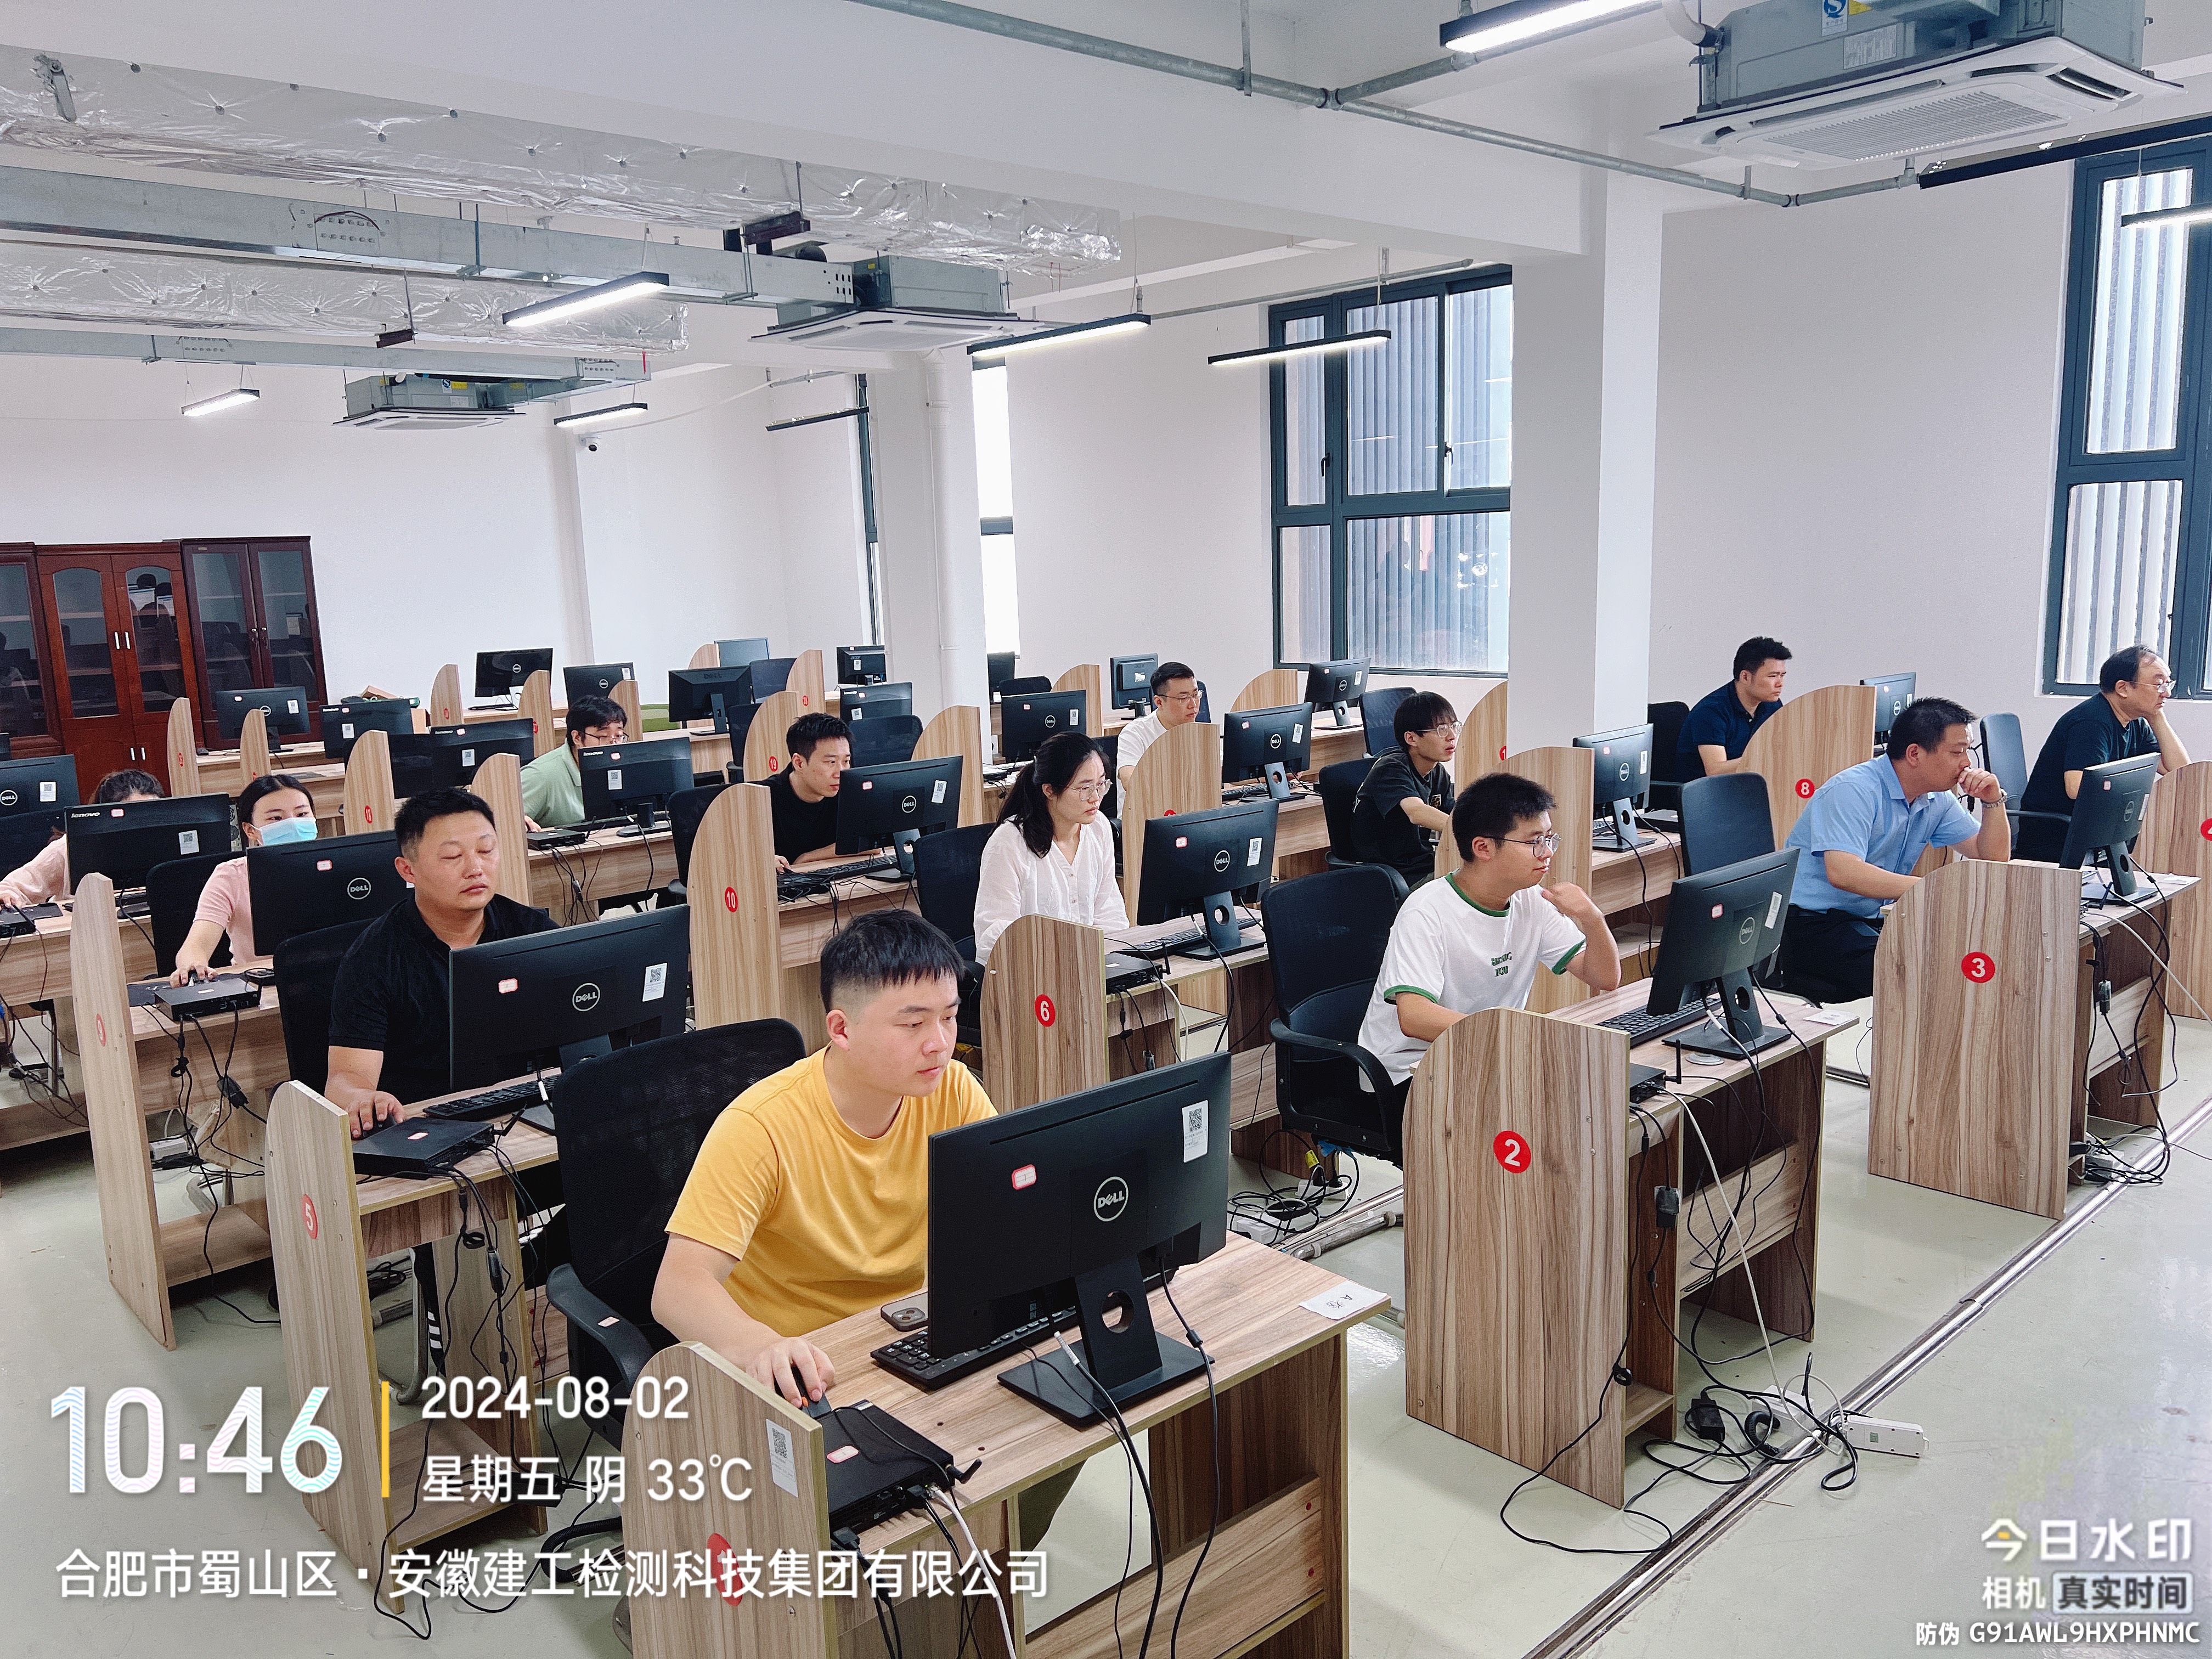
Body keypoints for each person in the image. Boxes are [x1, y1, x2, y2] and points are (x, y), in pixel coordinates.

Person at [1355, 772, 1622, 1152]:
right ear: (1483, 847)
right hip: (1407, 1074)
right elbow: (1414, 1017)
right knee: (1558, 1118)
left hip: (1486, 1058)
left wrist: (1592, 918)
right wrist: (1514, 1039)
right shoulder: (1426, 911)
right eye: (1534, 842)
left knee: (1592, 1098)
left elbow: (1605, 977)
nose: (1547, 852)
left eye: (1549, 838)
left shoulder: (1531, 899)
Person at [325, 787, 556, 1136]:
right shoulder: (373, 959)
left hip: (528, 1111)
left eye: (486, 850)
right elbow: (345, 1078)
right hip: (427, 1126)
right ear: (408, 870)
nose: (475, 868)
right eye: (452, 857)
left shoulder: (534, 932)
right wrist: (361, 1097)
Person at [1776, 696, 2010, 1002]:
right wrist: (1934, 888)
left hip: (1873, 918)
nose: (1966, 763)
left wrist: (1993, 801)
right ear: (1915, 754)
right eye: (1957, 752)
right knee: (1920, 974)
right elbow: (1844, 872)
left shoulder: (1936, 798)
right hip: (1812, 924)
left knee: (1966, 953)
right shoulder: (1853, 790)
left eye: (1967, 751)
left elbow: (1992, 859)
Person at [2017, 644, 2192, 862]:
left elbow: (2180, 772)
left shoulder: (2136, 722)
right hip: (2057, 840)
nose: (2167, 693)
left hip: (2098, 835)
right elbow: (2077, 788)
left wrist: (2157, 718)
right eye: (2158, 685)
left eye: (2168, 684)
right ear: (2123, 688)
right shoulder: (2092, 722)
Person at [973, 730, 1126, 962]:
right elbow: (994, 937)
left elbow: (1110, 914)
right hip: (1031, 971)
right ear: (1050, 790)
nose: (1096, 798)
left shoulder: (1099, 828)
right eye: (1085, 789)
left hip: (1089, 966)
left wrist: (1116, 962)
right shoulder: (1009, 844)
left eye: (1101, 785)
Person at [168, 772, 317, 984]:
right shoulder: (231, 876)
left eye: (301, 814)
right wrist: (193, 965)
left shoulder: (339, 863)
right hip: (261, 985)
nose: (292, 824)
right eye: (276, 818)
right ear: (250, 830)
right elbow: (196, 945)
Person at [0, 768, 163, 908]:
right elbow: (11, 887)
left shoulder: (168, 842)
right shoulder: (66, 849)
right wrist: (7, 896)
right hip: (83, 928)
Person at [1350, 691, 1458, 888]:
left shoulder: (1438, 773)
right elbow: (1417, 812)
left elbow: (1455, 814)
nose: (1452, 736)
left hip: (1425, 867)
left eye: (1454, 727)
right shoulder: (1391, 768)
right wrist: (1469, 830)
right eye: (1441, 730)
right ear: (1412, 739)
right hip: (1391, 877)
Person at [1679, 636, 1791, 780]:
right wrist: (1764, 757)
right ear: (1745, 677)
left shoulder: (1772, 706)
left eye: (1782, 676)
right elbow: (1716, 771)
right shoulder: (1711, 712)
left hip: (1748, 785)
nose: (1780, 683)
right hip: (1707, 791)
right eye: (1773, 676)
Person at [521, 692, 626, 828]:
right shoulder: (540, 776)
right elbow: (506, 822)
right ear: (577, 738)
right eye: (603, 736)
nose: (613, 744)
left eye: (619, 736)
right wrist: (521, 821)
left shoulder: (621, 768)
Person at [766, 711, 851, 870]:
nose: (840, 772)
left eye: (846, 761)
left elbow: (871, 842)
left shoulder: (848, 788)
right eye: (831, 762)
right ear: (799, 763)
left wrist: (808, 857)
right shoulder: (764, 797)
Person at [1114, 660, 1201, 783]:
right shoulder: (1135, 733)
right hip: (1151, 796)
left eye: (1195, 695)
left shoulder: (1199, 732)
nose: (1193, 705)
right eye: (1183, 698)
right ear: (1159, 702)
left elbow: (1223, 773)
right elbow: (1130, 781)